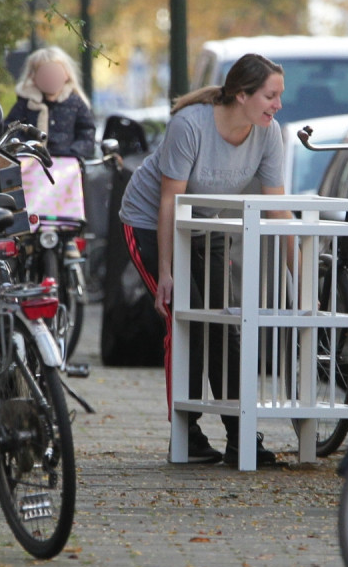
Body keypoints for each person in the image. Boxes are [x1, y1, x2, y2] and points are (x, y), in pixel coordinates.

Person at [117, 54, 289, 466]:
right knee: (186, 320)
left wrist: (300, 281)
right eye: (270, 95)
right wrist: (166, 274)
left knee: (223, 323)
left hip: (207, 223)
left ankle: (239, 435)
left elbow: (279, 211)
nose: (277, 105)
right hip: (150, 222)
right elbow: (168, 201)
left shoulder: (268, 133)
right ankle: (186, 434)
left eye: (279, 96)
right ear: (242, 94)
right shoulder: (190, 125)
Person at [7, 46, 97, 160]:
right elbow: (12, 129)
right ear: (33, 77)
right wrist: (24, 149)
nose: (50, 79)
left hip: (69, 163)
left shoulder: (75, 103)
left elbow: (87, 132)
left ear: (66, 75)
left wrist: (74, 152)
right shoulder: (26, 104)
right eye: (44, 75)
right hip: (33, 162)